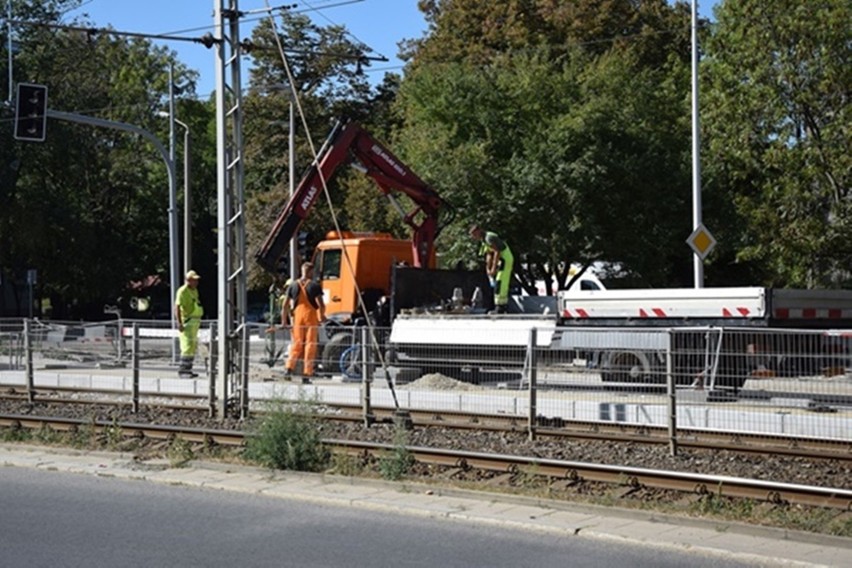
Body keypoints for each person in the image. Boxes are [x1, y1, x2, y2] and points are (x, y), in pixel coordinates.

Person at [281, 261, 326, 382]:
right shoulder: (314, 286)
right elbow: (321, 304)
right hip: (310, 318)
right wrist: (322, 317)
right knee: (310, 345)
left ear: (302, 271)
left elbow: (285, 305)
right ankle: (307, 374)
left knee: (297, 344)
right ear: (310, 272)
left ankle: (288, 368)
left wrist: (284, 321)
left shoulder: (293, 285)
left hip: (297, 318)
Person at [469, 225, 514, 313]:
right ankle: (499, 305)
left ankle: (501, 306)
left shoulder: (489, 237)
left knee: (500, 282)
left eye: (474, 234)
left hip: (505, 259)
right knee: (497, 283)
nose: (473, 237)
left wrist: (493, 267)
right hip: (501, 261)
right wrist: (488, 268)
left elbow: (497, 252)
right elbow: (489, 254)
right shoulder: (484, 240)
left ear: (479, 230)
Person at [174, 270, 203, 378]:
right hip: (187, 322)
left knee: (192, 346)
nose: (196, 282)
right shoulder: (182, 291)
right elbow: (176, 307)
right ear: (188, 280)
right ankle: (183, 371)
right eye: (194, 280)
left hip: (194, 321)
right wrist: (179, 323)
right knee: (186, 346)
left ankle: (188, 370)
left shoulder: (194, 290)